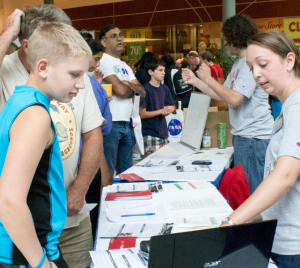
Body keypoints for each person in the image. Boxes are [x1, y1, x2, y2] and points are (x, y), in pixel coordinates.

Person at [0, 5, 104, 268]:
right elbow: (9, 201)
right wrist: (41, 263)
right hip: (26, 251)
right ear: (43, 66)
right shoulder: (35, 115)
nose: (82, 84)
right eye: (74, 74)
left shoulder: (23, 99)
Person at [220, 30, 300, 268]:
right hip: (280, 238)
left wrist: (230, 223)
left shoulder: (297, 108)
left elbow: (285, 176)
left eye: (263, 64)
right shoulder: (287, 107)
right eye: (251, 67)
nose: (256, 74)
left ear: (289, 60)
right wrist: (253, 217)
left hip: (293, 247)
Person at [182, 14, 274, 194]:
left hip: (253, 138)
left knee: (250, 195)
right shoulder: (240, 63)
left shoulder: (250, 63)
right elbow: (222, 94)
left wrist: (208, 79)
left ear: (236, 37)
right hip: (246, 137)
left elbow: (234, 98)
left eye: (226, 38)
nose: (224, 43)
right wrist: (197, 81)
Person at [79, 31, 113, 241]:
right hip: (89, 160)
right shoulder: (92, 86)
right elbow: (105, 126)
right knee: (90, 217)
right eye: (96, 59)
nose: (97, 64)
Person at [98, 24, 145, 176]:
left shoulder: (124, 65)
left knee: (127, 173)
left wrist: (126, 84)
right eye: (113, 36)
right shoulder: (103, 61)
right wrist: (129, 86)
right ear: (103, 42)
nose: (119, 39)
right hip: (110, 124)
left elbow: (142, 92)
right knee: (108, 173)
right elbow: (120, 91)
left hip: (126, 123)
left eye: (120, 35)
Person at [140, 58, 175, 156]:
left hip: (164, 133)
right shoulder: (145, 89)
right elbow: (142, 114)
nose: (163, 73)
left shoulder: (165, 88)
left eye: (164, 70)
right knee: (153, 165)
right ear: (150, 72)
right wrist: (161, 111)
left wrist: (169, 110)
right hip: (151, 133)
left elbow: (171, 106)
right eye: (160, 70)